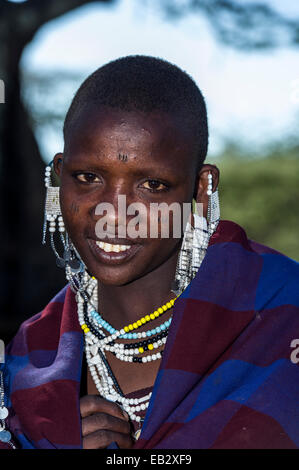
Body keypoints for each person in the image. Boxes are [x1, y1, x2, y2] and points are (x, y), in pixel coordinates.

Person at [0, 55, 298, 450]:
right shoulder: (32, 352)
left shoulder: (280, 315)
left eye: (153, 185)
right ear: (59, 176)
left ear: (201, 187)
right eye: (88, 178)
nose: (114, 214)